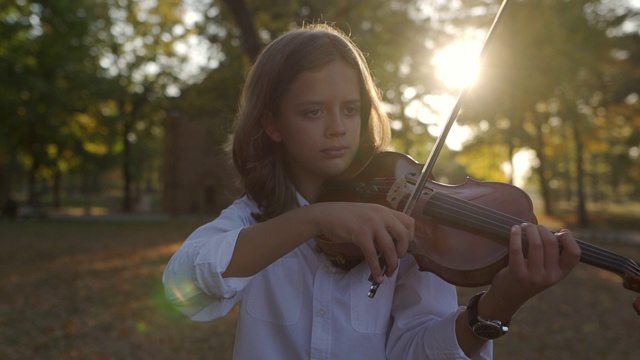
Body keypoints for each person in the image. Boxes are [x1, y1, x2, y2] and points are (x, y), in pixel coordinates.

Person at [163, 23, 581, 359]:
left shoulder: (409, 219)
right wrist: (315, 219)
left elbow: (416, 351)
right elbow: (183, 288)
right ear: (273, 124)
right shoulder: (252, 219)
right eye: (313, 112)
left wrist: (500, 304)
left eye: (350, 109)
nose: (337, 128)